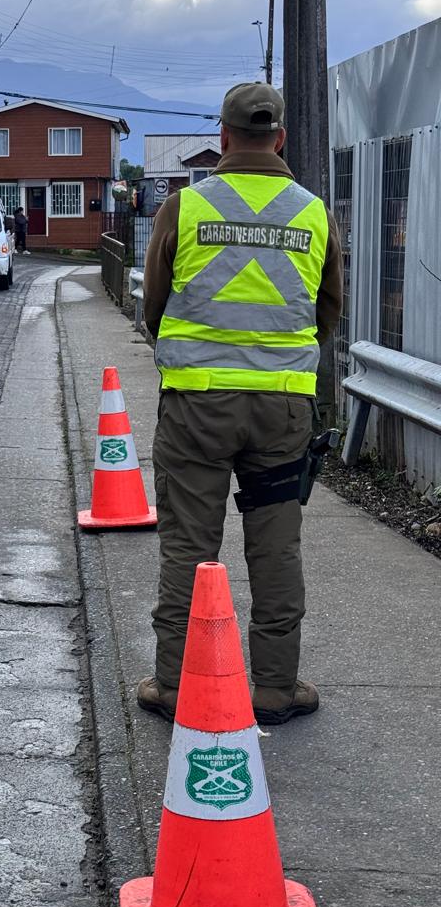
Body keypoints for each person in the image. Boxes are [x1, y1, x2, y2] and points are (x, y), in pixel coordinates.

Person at [138, 82, 343, 726]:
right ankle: (275, 689)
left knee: (189, 547)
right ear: (279, 139)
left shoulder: (185, 206)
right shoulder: (313, 213)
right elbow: (328, 312)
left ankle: (174, 685)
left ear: (223, 137)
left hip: (197, 408)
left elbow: (154, 305)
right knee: (276, 548)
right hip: (281, 410)